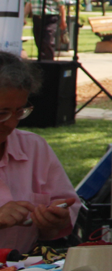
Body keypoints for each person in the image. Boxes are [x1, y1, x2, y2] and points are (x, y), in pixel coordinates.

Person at [0, 52, 80, 253]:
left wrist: (54, 221)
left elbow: (68, 208)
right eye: (2, 113)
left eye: (19, 111)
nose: (11, 123)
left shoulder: (34, 148)